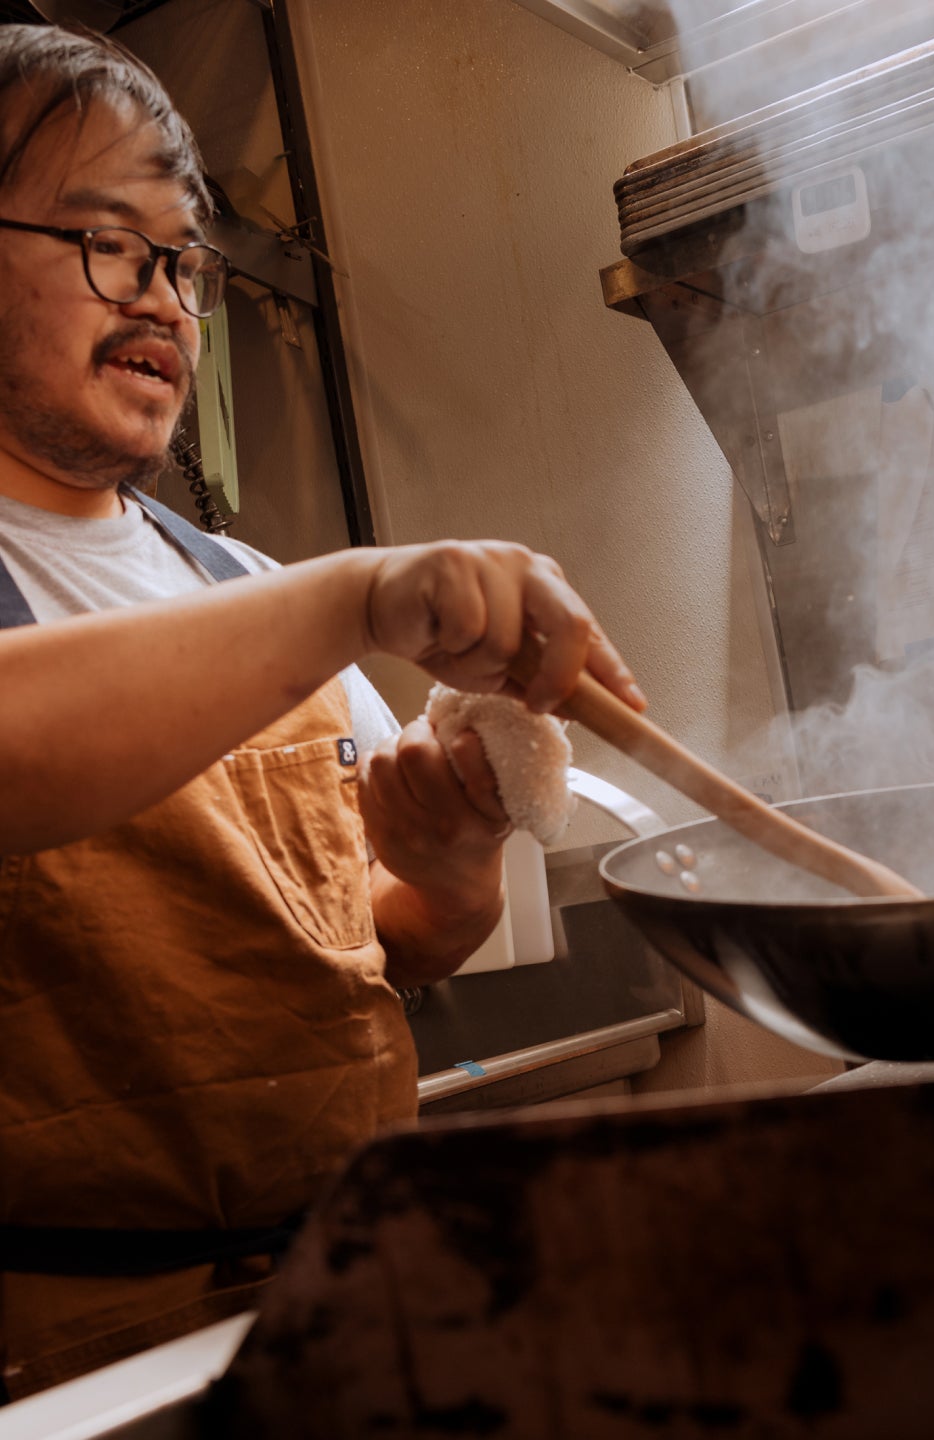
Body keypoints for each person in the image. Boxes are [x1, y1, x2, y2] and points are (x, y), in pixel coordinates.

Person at [0, 25, 645, 1397]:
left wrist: (453, 862)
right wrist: (362, 596)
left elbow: (392, 945)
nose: (167, 301)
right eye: (110, 244)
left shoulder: (233, 582)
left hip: (347, 1301)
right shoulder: (297, 615)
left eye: (183, 261)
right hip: (64, 1353)